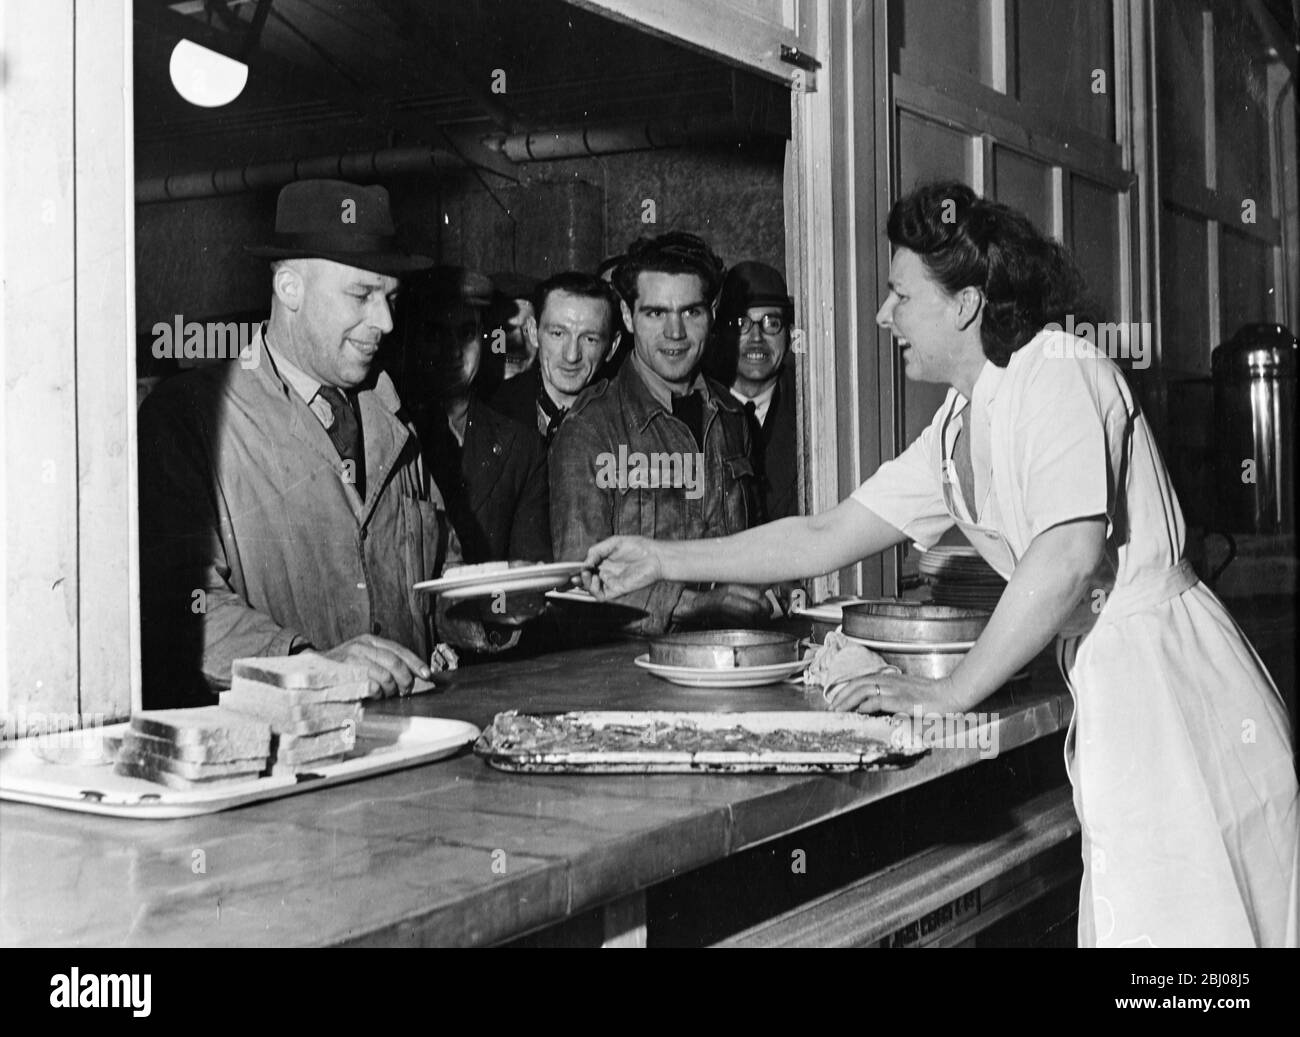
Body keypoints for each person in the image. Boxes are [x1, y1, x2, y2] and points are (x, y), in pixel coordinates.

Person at [582, 181, 1299, 948]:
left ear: (963, 305)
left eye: (898, 294)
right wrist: (661, 556)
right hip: (1117, 686)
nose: (885, 315)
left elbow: (1065, 559)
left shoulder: (1059, 370)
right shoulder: (960, 420)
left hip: (1174, 689)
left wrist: (952, 692)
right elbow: (824, 533)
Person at [138, 179, 537, 706]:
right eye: (362, 295)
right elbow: (182, 604)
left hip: (405, 739)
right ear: (290, 289)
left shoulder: (395, 415)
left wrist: (483, 610)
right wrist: (308, 664)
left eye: (391, 298)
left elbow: (436, 571)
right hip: (282, 748)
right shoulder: (192, 416)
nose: (386, 321)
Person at [553, 231, 782, 634]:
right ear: (627, 316)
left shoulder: (733, 417)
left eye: (691, 312)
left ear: (711, 312)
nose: (675, 333)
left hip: (733, 658)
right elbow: (579, 581)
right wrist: (695, 605)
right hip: (633, 673)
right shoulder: (590, 427)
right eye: (656, 313)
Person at [403, 265, 550, 563]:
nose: (453, 351)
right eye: (435, 334)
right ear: (413, 340)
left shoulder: (521, 446)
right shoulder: (386, 433)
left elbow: (529, 569)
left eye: (466, 334)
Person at [708, 261, 799, 521]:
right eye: (740, 323)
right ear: (719, 334)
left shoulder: (813, 409)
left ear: (790, 335)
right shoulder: (696, 406)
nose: (756, 338)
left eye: (771, 323)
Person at [488, 271, 620, 446]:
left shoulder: (627, 420)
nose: (571, 356)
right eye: (558, 334)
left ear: (612, 347)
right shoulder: (492, 413)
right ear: (534, 332)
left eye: (590, 339)